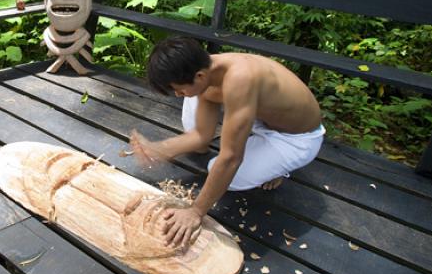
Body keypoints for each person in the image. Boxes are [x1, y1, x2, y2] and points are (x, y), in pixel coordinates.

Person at [129, 36, 325, 249]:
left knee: (224, 173)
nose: (177, 95)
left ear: (200, 75)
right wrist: (160, 149)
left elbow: (231, 158)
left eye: (179, 89)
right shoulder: (206, 71)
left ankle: (281, 166)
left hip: (296, 137)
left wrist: (195, 211)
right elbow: (202, 136)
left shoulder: (240, 80)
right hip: (261, 120)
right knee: (193, 114)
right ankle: (257, 147)